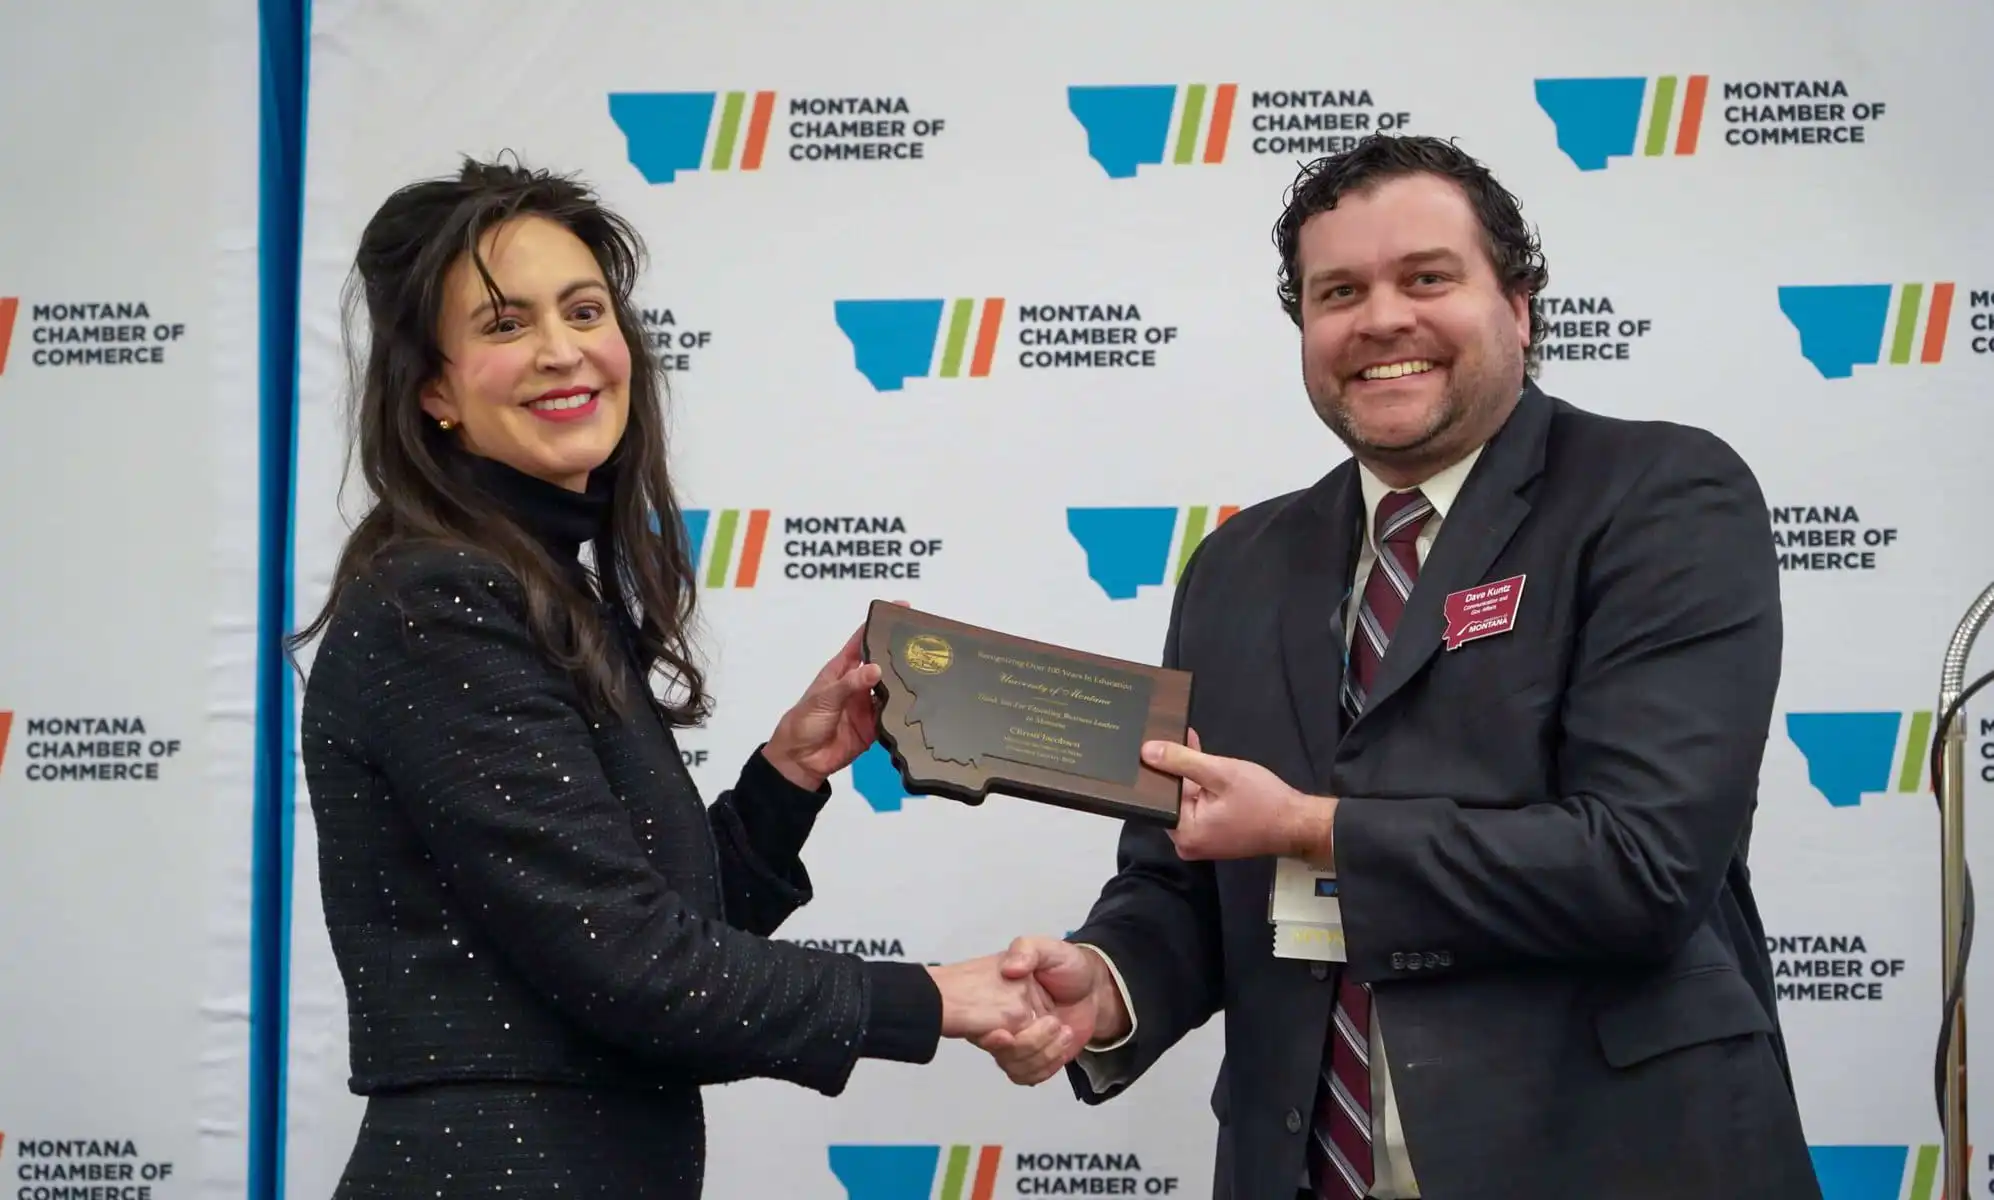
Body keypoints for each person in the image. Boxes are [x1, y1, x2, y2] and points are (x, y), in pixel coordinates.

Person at [973, 135, 1820, 1199]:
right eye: (1338, 292)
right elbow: (1178, 880)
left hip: (1612, 1157)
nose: (1379, 320)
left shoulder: (1656, 495)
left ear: (1517, 306)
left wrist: (1308, 826)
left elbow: (1640, 865)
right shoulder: (1234, 564)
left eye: (1426, 278)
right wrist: (1106, 984)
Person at [291, 159, 1045, 1198]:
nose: (563, 351)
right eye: (506, 325)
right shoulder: (440, 601)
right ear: (433, 391)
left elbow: (641, 927)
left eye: (584, 309)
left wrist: (786, 779)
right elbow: (635, 968)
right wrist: (932, 997)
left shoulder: (538, 582)